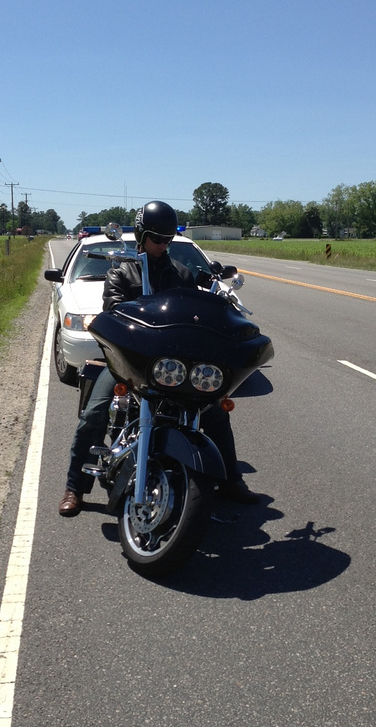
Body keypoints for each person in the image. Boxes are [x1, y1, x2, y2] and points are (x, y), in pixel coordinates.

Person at [59, 200, 260, 517]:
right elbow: (113, 313)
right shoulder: (121, 274)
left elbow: (198, 313)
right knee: (96, 412)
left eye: (168, 239)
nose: (163, 245)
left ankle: (232, 480)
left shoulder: (181, 274)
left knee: (215, 411)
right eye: (158, 238)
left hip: (170, 366)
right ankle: (75, 487)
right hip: (130, 363)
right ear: (142, 235)